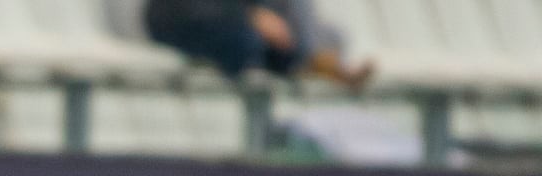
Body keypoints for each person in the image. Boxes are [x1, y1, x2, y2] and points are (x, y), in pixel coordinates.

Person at [142, 0, 375, 86]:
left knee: (333, 36)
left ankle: (310, 55)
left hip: (237, 23)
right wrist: (251, 16)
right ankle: (312, 58)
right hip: (182, 17)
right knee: (249, 41)